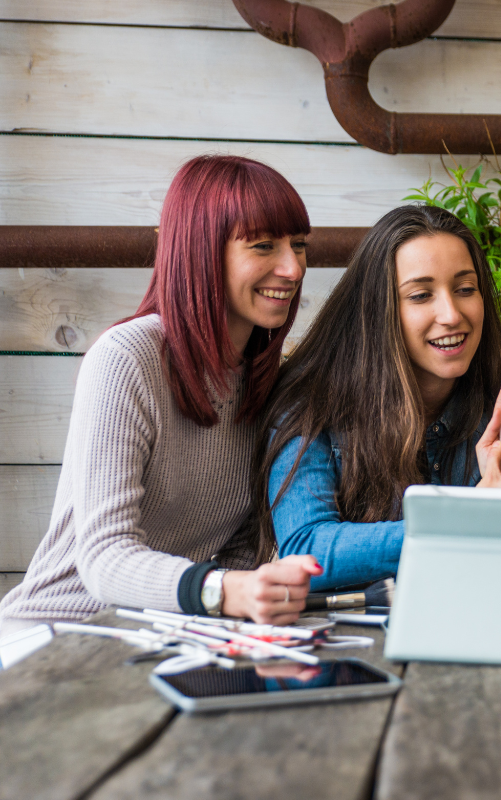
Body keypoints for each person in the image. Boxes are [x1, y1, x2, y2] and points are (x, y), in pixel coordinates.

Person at [0, 155, 322, 662]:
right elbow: (104, 559)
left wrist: (244, 595)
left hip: (159, 641)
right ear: (201, 251)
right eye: (264, 246)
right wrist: (224, 591)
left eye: (299, 245)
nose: (294, 268)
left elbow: (243, 546)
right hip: (54, 639)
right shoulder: (126, 359)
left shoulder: (269, 382)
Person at [256, 205, 501, 592]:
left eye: (465, 289)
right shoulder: (312, 403)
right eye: (420, 295)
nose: (451, 314)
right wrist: (469, 516)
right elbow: (307, 550)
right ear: (379, 310)